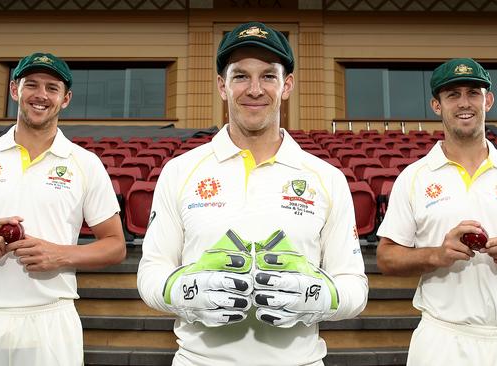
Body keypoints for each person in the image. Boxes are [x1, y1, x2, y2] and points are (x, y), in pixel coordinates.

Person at [137, 21, 368, 366]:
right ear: (222, 86)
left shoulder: (326, 178)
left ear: (287, 85)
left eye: (268, 76)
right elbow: (151, 272)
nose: (254, 89)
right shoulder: (180, 171)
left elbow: (354, 287)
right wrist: (184, 290)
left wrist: (322, 296)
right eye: (241, 76)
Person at [0, 52, 126, 366]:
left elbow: (116, 246)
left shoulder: (85, 163)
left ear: (65, 99)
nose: (41, 95)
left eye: (52, 88)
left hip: (50, 320)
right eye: (31, 84)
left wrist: (59, 254)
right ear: (14, 90)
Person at [376, 57, 497, 366]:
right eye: (453, 94)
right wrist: (436, 255)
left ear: (488, 100)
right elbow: (386, 257)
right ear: (437, 105)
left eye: (473, 93)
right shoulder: (414, 177)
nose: (464, 103)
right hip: (443, 338)